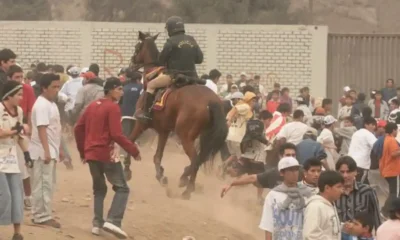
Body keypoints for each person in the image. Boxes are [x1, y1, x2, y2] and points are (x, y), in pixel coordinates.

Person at [74, 77, 141, 238]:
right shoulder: (113, 108)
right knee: (122, 188)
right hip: (106, 153)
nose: (121, 92)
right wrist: (133, 149)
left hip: (91, 154)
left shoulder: (92, 106)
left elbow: (78, 129)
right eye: (119, 89)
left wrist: (83, 152)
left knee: (99, 189)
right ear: (110, 90)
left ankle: (97, 224)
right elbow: (116, 134)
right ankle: (114, 221)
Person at [137, 16, 203, 122]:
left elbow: (161, 61)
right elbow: (199, 59)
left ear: (170, 29)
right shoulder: (192, 39)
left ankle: (146, 114)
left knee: (150, 85)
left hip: (174, 76)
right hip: (193, 77)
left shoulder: (170, 42)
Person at [0, 80, 33, 240]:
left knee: (17, 194)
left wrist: (27, 154)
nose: (21, 98)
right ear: (9, 96)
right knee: (4, 195)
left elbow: (19, 136)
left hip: (12, 157)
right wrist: (14, 130)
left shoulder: (19, 111)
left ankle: (17, 233)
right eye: (18, 95)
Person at [29, 73, 62, 228]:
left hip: (50, 150)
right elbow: (41, 128)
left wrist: (59, 149)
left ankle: (43, 213)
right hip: (43, 151)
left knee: (48, 183)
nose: (57, 90)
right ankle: (41, 216)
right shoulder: (41, 104)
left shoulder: (51, 104)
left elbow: (54, 129)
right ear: (44, 88)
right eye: (53, 87)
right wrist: (46, 151)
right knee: (43, 184)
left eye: (58, 87)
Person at [259, 157, 313, 240]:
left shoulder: (307, 194)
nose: (294, 173)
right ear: (282, 173)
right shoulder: (273, 196)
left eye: (296, 169)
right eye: (291, 170)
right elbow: (268, 226)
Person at [220, 143, 298, 197]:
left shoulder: (302, 173)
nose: (291, 158)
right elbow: (253, 178)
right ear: (280, 156)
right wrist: (231, 184)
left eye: (293, 155)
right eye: (288, 155)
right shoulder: (274, 173)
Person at [7, 65, 35, 210]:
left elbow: (30, 110)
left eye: (21, 77)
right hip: (7, 135)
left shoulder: (28, 89)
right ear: (9, 78)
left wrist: (28, 129)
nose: (19, 80)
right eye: (16, 77)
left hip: (21, 132)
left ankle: (28, 197)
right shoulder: (6, 91)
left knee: (24, 166)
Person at [335, 156, 382, 231]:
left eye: (349, 171)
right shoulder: (332, 193)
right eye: (342, 172)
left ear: (356, 172)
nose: (345, 176)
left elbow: (377, 219)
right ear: (337, 172)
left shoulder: (367, 191)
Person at [303, 170, 343, 240]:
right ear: (327, 188)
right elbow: (310, 235)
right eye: (338, 187)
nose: (341, 190)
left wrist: (343, 226)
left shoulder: (330, 204)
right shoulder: (315, 206)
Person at [119, 71, 143, 172]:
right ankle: (134, 152)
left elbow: (120, 101)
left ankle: (123, 152)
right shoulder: (141, 88)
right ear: (138, 79)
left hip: (125, 114)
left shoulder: (124, 88)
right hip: (136, 114)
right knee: (135, 135)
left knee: (125, 135)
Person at [225, 91, 257, 162]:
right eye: (253, 101)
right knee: (240, 159)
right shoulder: (246, 107)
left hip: (230, 136)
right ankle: (240, 172)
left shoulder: (243, 107)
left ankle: (221, 167)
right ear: (248, 99)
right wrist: (229, 120)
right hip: (236, 137)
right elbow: (235, 109)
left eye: (255, 101)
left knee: (234, 156)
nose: (254, 103)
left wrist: (229, 119)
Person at [379, 122, 400, 218]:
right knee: (393, 193)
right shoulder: (391, 140)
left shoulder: (386, 139)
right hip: (392, 170)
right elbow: (394, 153)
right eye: (396, 130)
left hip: (388, 169)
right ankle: (385, 211)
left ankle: (389, 211)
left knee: (393, 193)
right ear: (393, 130)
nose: (397, 132)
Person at [348, 117, 377, 184]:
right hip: (361, 165)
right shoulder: (368, 134)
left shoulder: (356, 133)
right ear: (366, 125)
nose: (374, 127)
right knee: (359, 185)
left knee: (356, 184)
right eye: (372, 124)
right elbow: (377, 146)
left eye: (374, 125)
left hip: (351, 162)